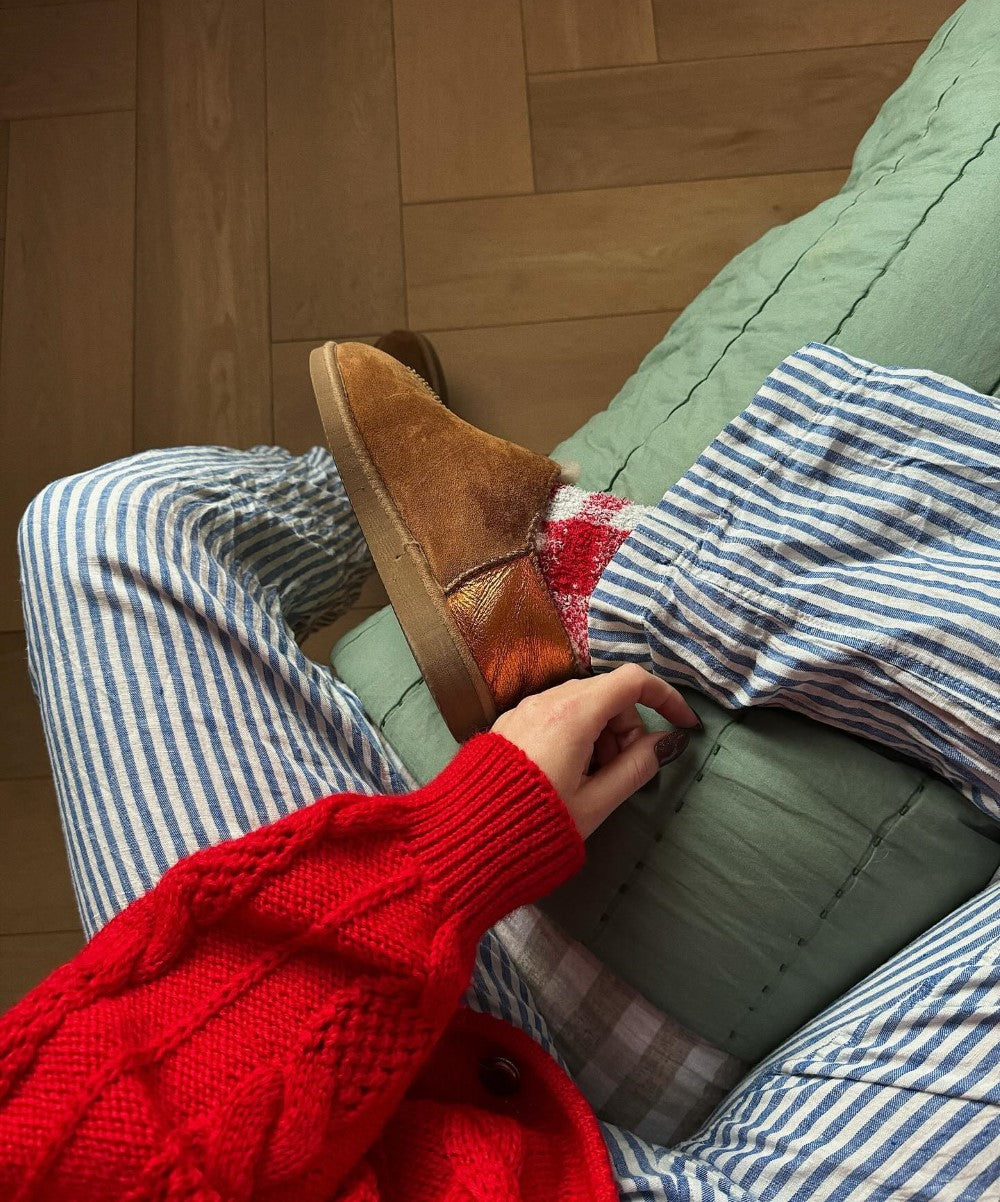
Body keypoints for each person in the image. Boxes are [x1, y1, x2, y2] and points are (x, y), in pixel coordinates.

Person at [0, 335, 997, 1199]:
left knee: (100, 526)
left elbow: (93, 1133)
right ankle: (577, 567)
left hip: (377, 1117)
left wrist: (454, 848)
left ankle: (392, 519)